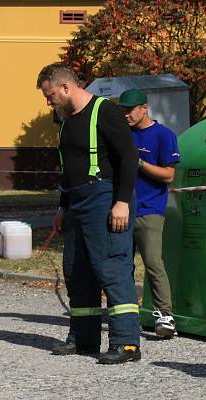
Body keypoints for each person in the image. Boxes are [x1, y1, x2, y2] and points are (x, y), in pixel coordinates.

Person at [37, 63, 141, 364]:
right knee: (77, 270)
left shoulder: (105, 111)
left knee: (111, 267)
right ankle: (84, 338)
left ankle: (126, 343)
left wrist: (121, 202)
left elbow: (129, 158)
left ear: (66, 87)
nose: (48, 101)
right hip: (78, 203)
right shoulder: (68, 121)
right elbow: (70, 170)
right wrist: (63, 207)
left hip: (105, 198)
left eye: (51, 94)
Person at [119, 88, 180, 339]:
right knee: (122, 264)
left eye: (129, 110)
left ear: (144, 108)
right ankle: (125, 313)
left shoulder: (164, 136)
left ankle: (165, 316)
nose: (125, 115)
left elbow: (169, 175)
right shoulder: (123, 134)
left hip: (150, 210)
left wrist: (141, 164)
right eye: (122, 110)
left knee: (153, 263)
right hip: (122, 208)